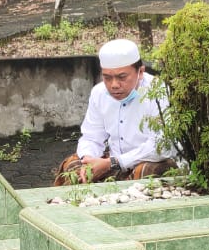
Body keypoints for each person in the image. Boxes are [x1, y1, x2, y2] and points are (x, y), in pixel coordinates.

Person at [53, 39, 177, 186]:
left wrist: (113, 163)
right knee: (73, 166)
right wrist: (88, 161)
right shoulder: (99, 93)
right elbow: (91, 137)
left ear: (141, 72)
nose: (114, 85)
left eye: (122, 77)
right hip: (112, 161)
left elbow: (162, 146)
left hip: (148, 161)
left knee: (148, 171)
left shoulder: (159, 92)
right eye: (107, 78)